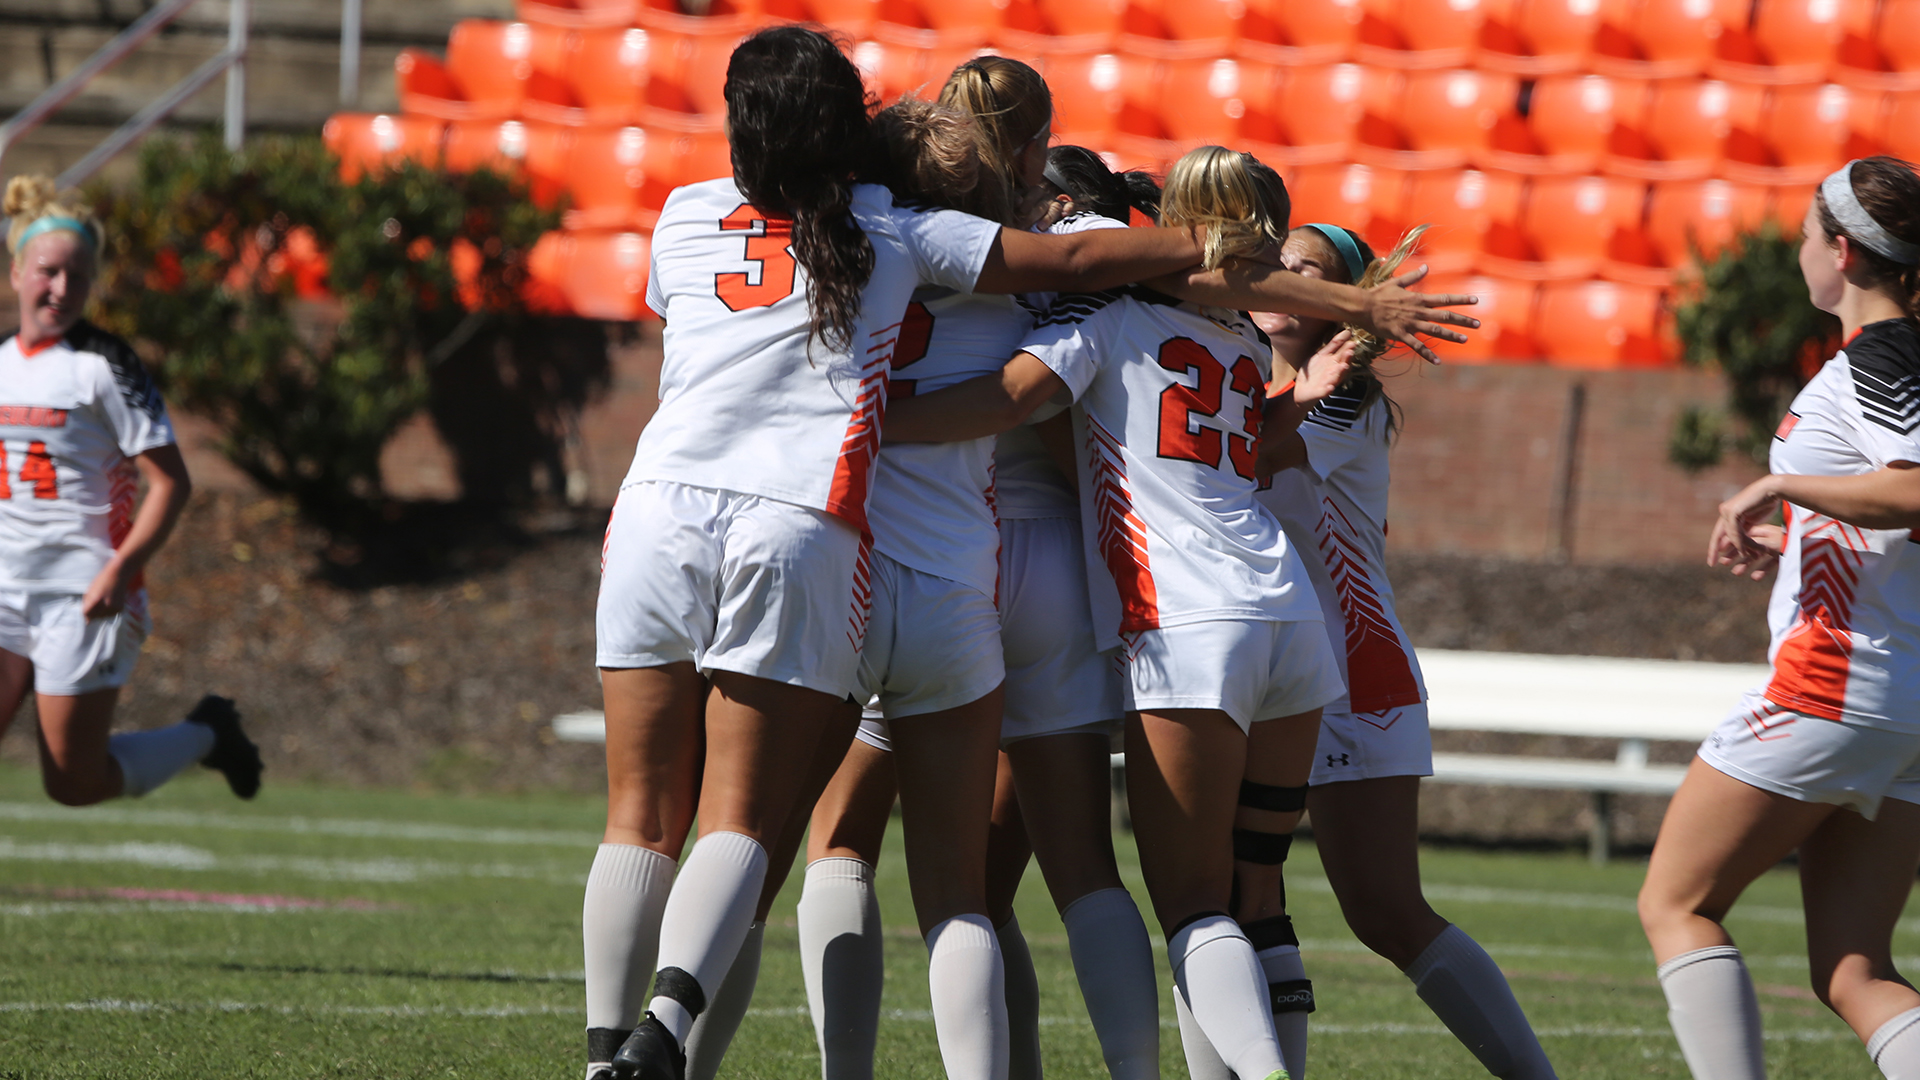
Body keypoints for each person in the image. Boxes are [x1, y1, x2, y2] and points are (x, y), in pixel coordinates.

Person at [586, 26, 1243, 1080]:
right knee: (1020, 884)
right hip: (977, 578)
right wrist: (1271, 272)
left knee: (786, 841)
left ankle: (677, 1054)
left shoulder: (778, 226)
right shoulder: (1000, 269)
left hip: (797, 548)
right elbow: (1081, 302)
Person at [887, 145, 1381, 1080]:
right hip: (1290, 621)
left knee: (1194, 909)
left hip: (1189, 623)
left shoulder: (1111, 311)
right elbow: (1248, 452)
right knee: (1251, 892)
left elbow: (1009, 400)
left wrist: (872, 420)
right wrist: (1304, 399)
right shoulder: (1243, 336)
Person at [1177, 222, 1557, 1080]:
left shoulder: (1343, 391)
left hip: (1355, 670)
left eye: (1305, 272)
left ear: (1341, 299)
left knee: (1386, 911)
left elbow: (1253, 450)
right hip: (1268, 664)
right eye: (1276, 266)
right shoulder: (1260, 379)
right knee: (1233, 895)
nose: (1282, 281)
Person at [1641, 155, 1920, 1080]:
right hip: (1905, 703)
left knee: (1675, 905)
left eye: (1807, 234)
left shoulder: (1880, 355)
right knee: (1855, 970)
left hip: (1837, 685)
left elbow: (1913, 489)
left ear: (1840, 251)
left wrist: (1776, 482)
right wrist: (1796, 532)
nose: (1801, 249)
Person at [0, 175, 259, 810]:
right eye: (48, 271)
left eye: (78, 276)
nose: (61, 288)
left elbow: (171, 480)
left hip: (82, 594)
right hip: (4, 585)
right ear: (16, 273)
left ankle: (206, 733)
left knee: (73, 782)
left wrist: (124, 567)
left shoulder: (105, 365)